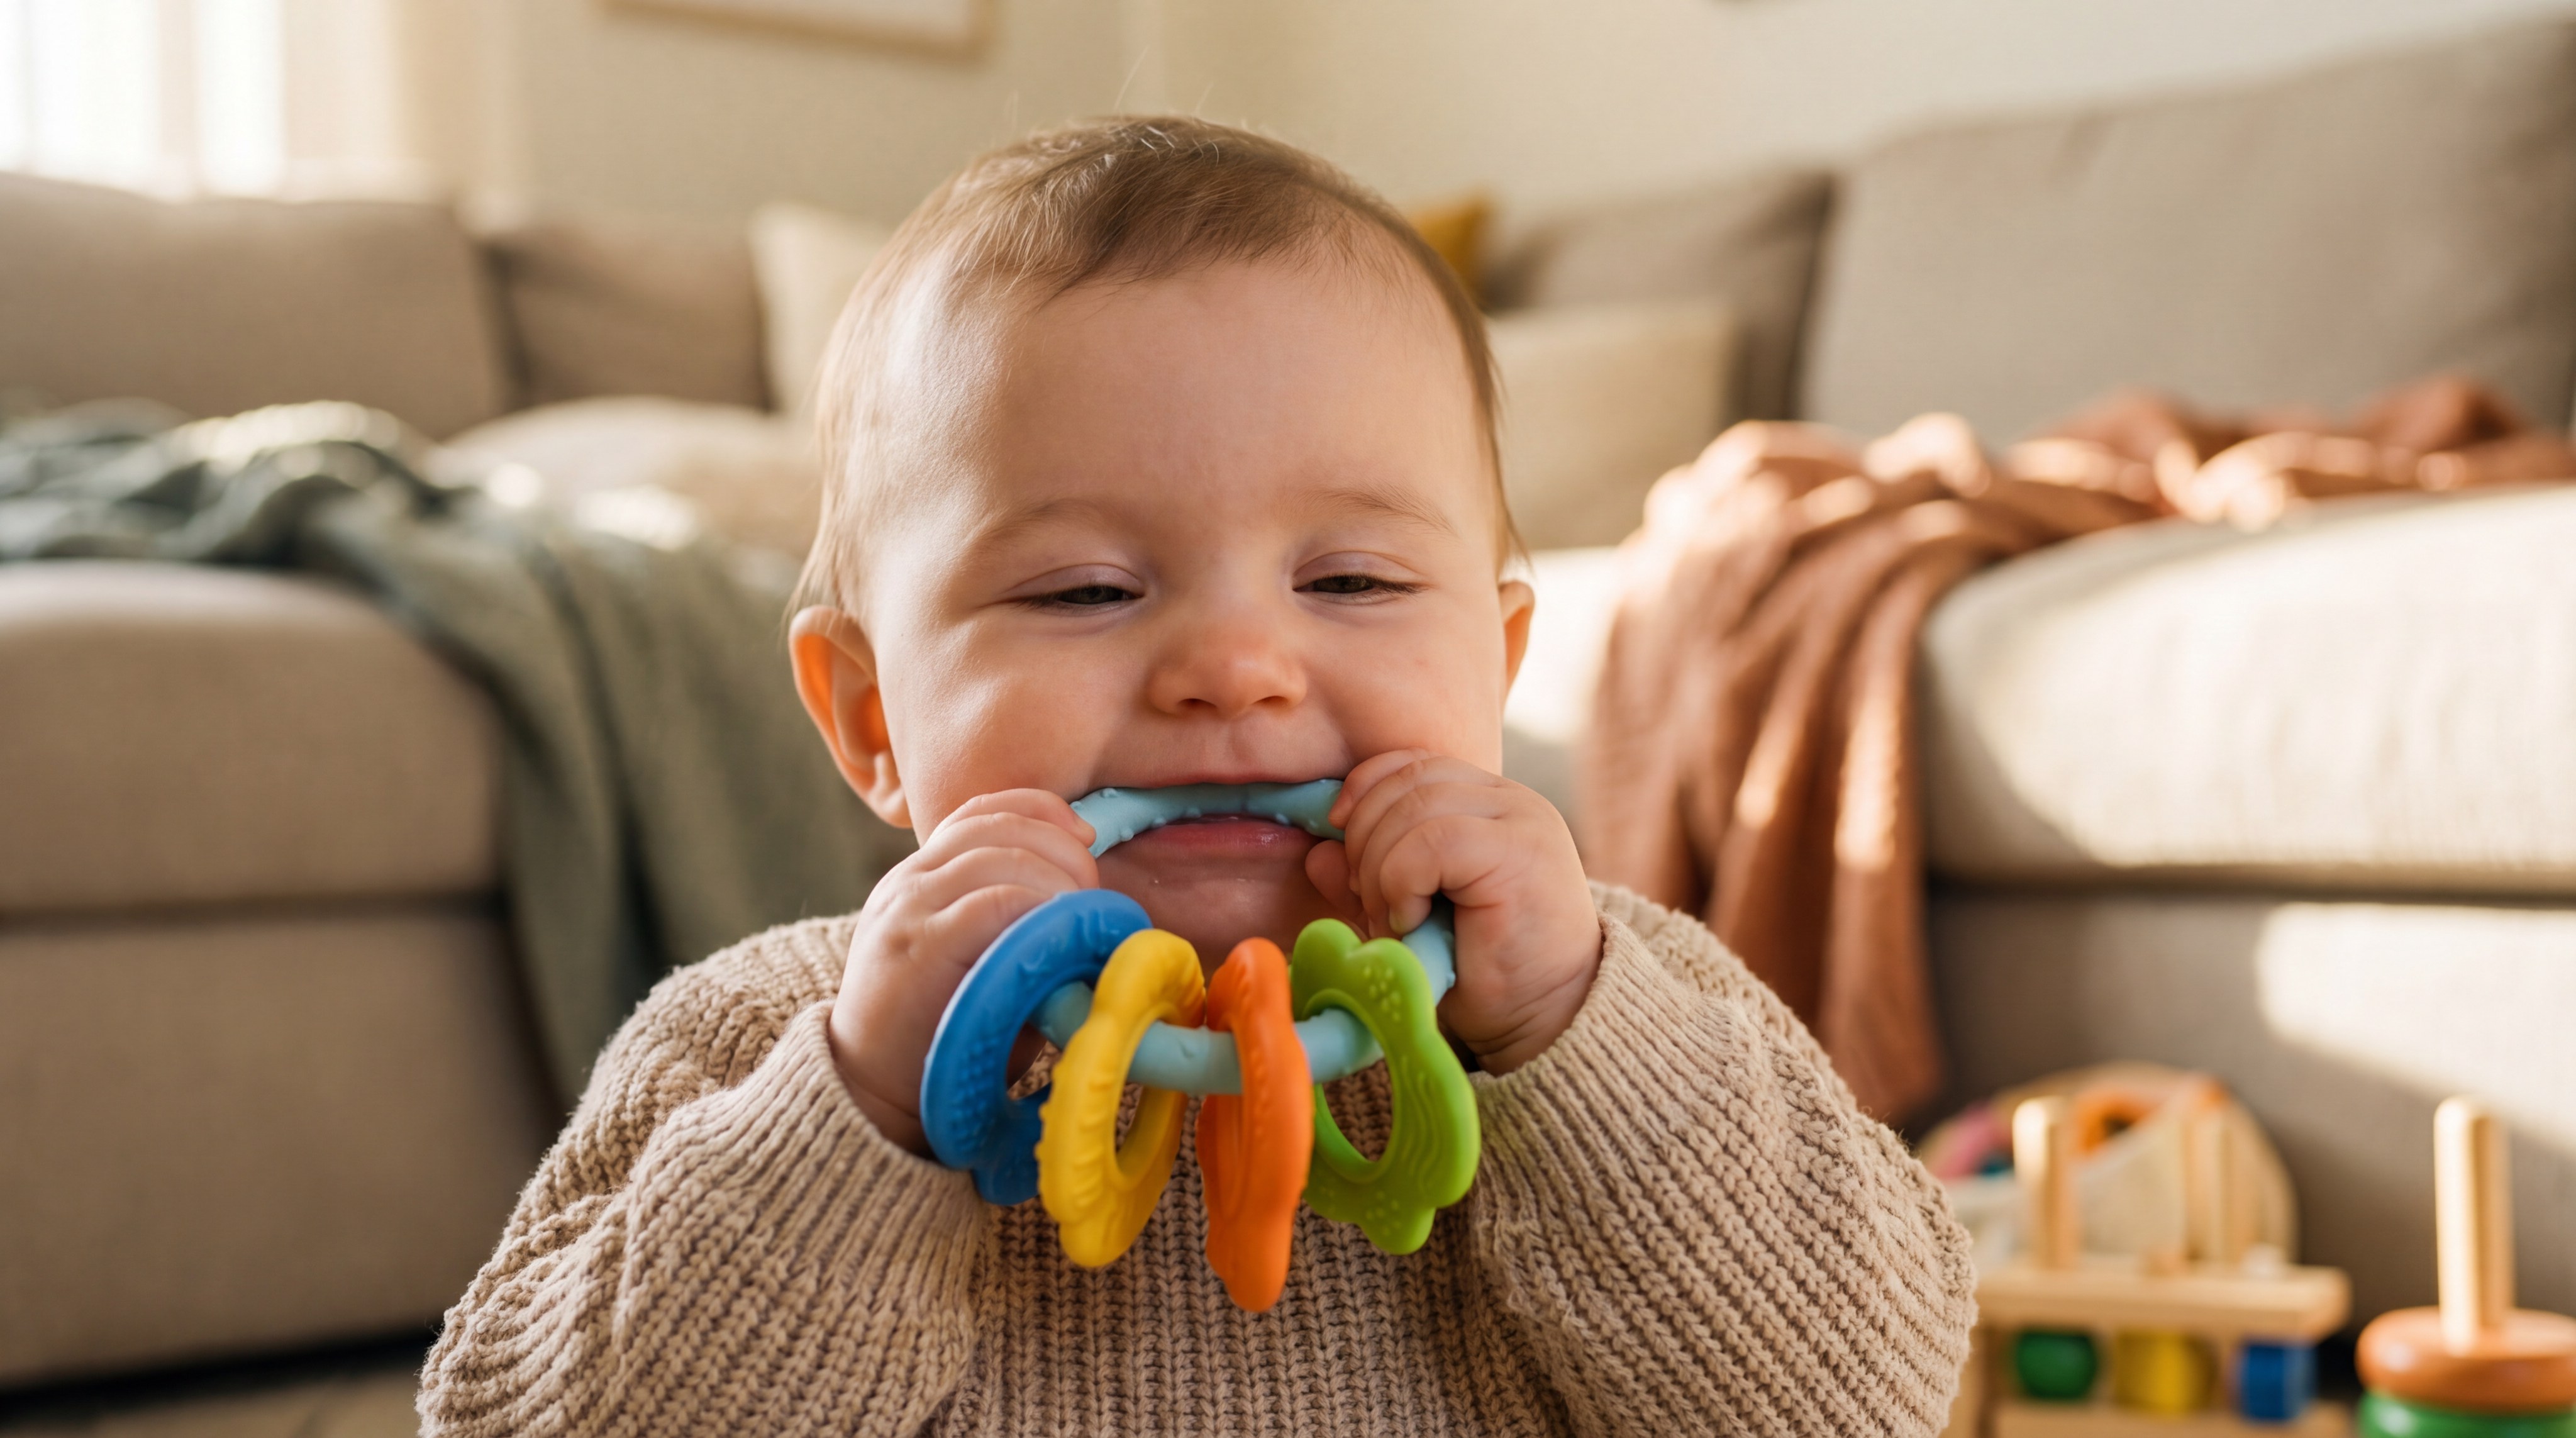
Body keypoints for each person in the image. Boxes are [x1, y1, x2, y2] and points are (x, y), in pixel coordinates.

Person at [419, 116, 1974, 1437]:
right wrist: (861, 1114)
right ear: (869, 717)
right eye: (1085, 590)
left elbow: (1869, 1396)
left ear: (1495, 672)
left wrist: (1577, 1029)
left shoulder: (1623, 998)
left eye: (1352, 582)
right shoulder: (762, 1037)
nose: (1234, 667)